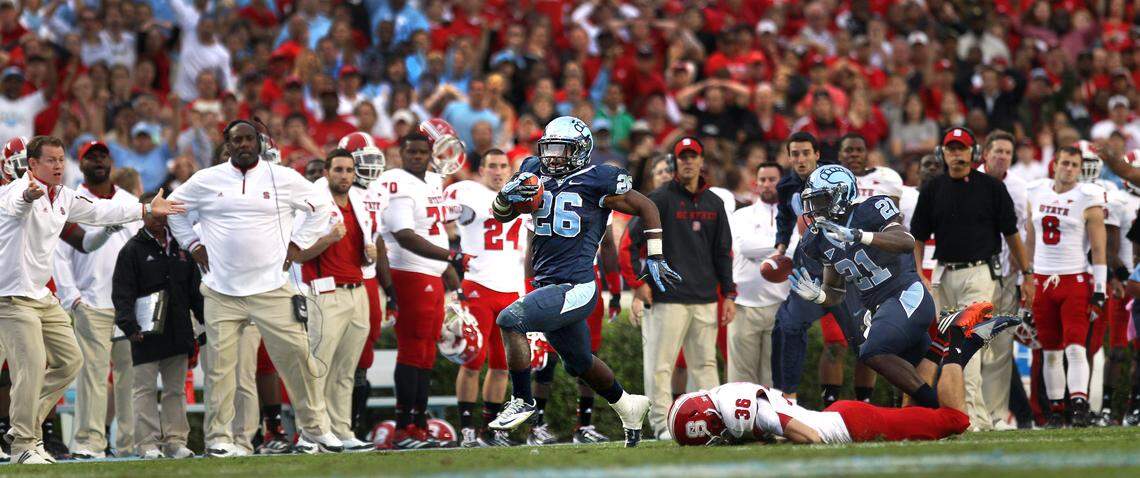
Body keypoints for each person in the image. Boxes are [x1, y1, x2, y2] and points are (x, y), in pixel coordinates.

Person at [488, 116, 680, 448]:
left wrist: (657, 254)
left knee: (509, 319)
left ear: (579, 151)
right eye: (549, 148)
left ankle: (523, 399)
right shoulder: (534, 171)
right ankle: (628, 405)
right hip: (547, 284)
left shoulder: (597, 181)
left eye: (561, 150)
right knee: (580, 363)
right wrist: (505, 197)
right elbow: (501, 214)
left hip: (576, 285)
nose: (553, 157)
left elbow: (647, 206)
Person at [0, 135, 183, 465]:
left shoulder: (64, 196)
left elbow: (101, 211)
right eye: (50, 160)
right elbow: (17, 204)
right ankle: (22, 445)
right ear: (32, 164)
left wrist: (145, 209)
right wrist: (27, 195)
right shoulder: (14, 190)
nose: (58, 165)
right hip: (12, 297)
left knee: (71, 361)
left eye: (60, 160)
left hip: (41, 296)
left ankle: (21, 428)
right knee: (30, 365)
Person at [166, 120, 341, 457]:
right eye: (237, 140)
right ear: (227, 145)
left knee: (300, 359)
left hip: (273, 288)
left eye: (249, 139)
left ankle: (317, 431)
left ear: (259, 142)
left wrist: (298, 244)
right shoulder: (206, 179)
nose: (244, 145)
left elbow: (323, 208)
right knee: (219, 368)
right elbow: (174, 208)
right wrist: (191, 243)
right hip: (221, 290)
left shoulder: (283, 177)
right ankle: (218, 438)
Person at [669, 303, 1019, 446]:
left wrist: (798, 441)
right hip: (842, 418)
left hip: (844, 427)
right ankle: (943, 341)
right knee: (921, 414)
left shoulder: (733, 407)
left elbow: (807, 436)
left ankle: (959, 338)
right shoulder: (725, 398)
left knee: (954, 420)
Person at [790, 164, 940, 409]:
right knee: (930, 368)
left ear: (841, 194)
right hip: (881, 308)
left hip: (906, 294)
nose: (814, 209)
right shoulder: (817, 239)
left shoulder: (870, 210)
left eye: (820, 200)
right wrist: (819, 296)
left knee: (873, 352)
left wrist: (860, 236)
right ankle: (942, 404)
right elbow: (835, 292)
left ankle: (936, 408)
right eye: (812, 202)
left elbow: (906, 241)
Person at [910, 127, 1033, 428]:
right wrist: (917, 273)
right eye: (951, 149)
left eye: (961, 149)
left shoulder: (991, 187)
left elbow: (1012, 234)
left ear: (973, 153)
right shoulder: (933, 189)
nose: (956, 154)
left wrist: (1027, 273)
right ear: (943, 153)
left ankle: (973, 417)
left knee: (967, 343)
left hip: (980, 272)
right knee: (946, 346)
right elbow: (918, 237)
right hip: (943, 273)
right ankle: (966, 414)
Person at [626, 137, 735, 440]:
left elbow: (723, 252)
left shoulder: (714, 203)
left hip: (704, 298)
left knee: (705, 366)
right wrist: (640, 283)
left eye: (693, 156)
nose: (688, 161)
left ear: (702, 161)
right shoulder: (658, 200)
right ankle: (662, 426)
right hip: (665, 298)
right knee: (660, 366)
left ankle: (711, 423)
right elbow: (629, 245)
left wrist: (729, 295)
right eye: (682, 157)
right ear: (676, 163)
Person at [53, 140, 142, 458]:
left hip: (128, 304)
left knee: (131, 376)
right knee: (92, 375)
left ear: (112, 161)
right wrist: (71, 297)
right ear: (81, 163)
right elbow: (59, 255)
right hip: (91, 301)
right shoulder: (71, 201)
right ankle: (89, 443)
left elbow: (140, 253)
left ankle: (131, 444)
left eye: (103, 156)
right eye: (91, 157)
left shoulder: (129, 202)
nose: (98, 161)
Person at [376, 131, 463, 449]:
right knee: (414, 349)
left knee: (427, 351)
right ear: (401, 152)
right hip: (409, 271)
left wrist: (446, 265)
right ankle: (404, 427)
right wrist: (449, 255)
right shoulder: (396, 181)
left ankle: (419, 423)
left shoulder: (431, 180)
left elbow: (436, 226)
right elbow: (403, 234)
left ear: (430, 153)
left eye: (421, 151)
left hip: (430, 273)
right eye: (410, 151)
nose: (416, 156)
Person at [296, 149, 381, 452]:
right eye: (338, 170)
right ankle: (309, 433)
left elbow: (364, 245)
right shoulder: (313, 203)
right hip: (324, 291)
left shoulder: (357, 201)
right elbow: (296, 252)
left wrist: (371, 254)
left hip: (357, 288)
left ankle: (341, 430)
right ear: (327, 172)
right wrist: (327, 240)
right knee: (318, 366)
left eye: (348, 170)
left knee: (346, 369)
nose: (344, 175)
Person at [444, 149, 526, 447]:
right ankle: (466, 429)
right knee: (472, 361)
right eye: (492, 166)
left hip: (512, 290)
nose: (498, 171)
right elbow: (438, 221)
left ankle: (491, 428)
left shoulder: (522, 196)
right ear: (481, 170)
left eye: (503, 166)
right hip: (478, 285)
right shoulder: (469, 194)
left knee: (503, 365)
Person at [111, 192, 201, 460]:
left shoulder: (182, 248)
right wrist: (129, 327)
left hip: (179, 330)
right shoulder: (132, 250)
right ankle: (147, 444)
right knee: (144, 391)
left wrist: (204, 324)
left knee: (175, 390)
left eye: (165, 213)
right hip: (144, 334)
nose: (160, 218)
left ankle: (176, 441)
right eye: (155, 213)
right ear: (144, 214)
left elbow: (195, 291)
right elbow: (122, 293)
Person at [1024, 145, 1107, 427]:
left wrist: (1100, 288)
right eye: (1065, 163)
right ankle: (1057, 408)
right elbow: (1030, 240)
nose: (1069, 169)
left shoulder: (1088, 197)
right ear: (1054, 164)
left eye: (1074, 164)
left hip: (1074, 279)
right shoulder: (1036, 191)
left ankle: (1079, 404)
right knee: (1050, 350)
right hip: (1042, 279)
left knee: (1075, 346)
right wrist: (1025, 275)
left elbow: (1098, 249)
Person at [975, 130, 1028, 430]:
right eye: (998, 151)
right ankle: (973, 412)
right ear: (985, 152)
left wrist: (1025, 273)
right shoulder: (971, 181)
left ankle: (996, 414)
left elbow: (1024, 232)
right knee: (973, 344)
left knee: (1001, 347)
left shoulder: (1019, 187)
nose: (1002, 157)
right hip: (975, 271)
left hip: (1007, 274)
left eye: (1008, 152)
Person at [727, 162, 786, 386]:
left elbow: (795, 250)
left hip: (779, 304)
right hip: (744, 304)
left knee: (773, 380)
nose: (767, 184)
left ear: (782, 182)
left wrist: (781, 247)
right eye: (762, 180)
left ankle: (769, 423)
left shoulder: (790, 216)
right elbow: (746, 247)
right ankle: (741, 424)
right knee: (741, 381)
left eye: (772, 179)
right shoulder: (742, 215)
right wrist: (782, 245)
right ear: (756, 183)